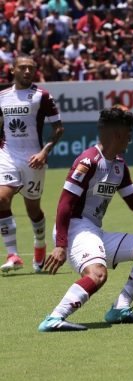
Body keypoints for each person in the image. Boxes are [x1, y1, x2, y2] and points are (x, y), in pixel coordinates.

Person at [38, 107, 133, 332]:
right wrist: (60, 245)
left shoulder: (119, 165)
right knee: (97, 275)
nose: (130, 138)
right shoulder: (88, 161)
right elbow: (64, 204)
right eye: (129, 133)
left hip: (93, 231)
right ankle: (54, 318)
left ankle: (120, 307)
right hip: (75, 229)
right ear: (118, 134)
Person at [0, 55, 64, 274]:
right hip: (7, 155)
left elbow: (58, 129)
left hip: (33, 158)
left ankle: (40, 245)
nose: (27, 71)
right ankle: (13, 255)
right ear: (13, 70)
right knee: (1, 199)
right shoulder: (2, 96)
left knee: (33, 210)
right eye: (23, 68)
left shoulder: (42, 96)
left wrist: (44, 152)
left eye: (31, 68)